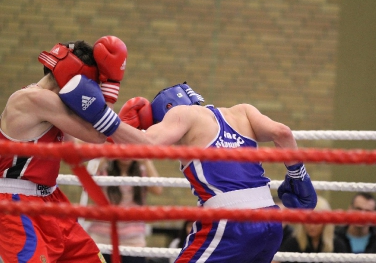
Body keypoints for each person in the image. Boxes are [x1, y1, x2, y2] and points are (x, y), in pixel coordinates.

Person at [58, 80, 318, 263]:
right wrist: (298, 176)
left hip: (229, 222)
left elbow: (144, 147)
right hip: (271, 221)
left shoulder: (181, 114)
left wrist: (107, 118)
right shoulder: (243, 111)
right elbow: (283, 133)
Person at [0, 36, 127, 262]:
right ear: (75, 78)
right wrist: (111, 88)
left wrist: (130, 130)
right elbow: (97, 135)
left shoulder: (54, 107)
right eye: (92, 83)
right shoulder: (35, 99)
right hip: (17, 203)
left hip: (51, 200)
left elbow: (77, 146)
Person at [87, 158, 163, 263]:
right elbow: (85, 183)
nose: (125, 153)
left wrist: (146, 160)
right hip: (102, 238)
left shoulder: (142, 172)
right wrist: (105, 155)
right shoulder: (105, 170)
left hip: (133, 240)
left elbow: (158, 189)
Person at [275, 195, 347, 263]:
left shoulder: (337, 245)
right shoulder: (292, 243)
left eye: (317, 222)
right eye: (308, 221)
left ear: (325, 223)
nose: (312, 226)